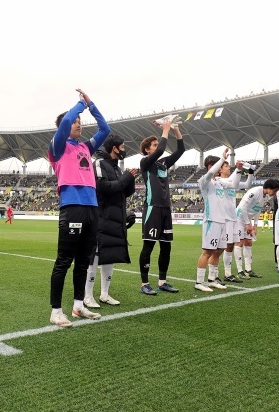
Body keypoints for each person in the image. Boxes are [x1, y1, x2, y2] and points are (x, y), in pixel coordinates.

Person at [48, 89, 110, 326]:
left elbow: (105, 130)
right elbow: (64, 121)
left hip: (92, 207)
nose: (78, 124)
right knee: (64, 260)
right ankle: (55, 311)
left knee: (83, 261)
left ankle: (78, 306)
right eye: (75, 121)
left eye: (80, 122)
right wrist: (79, 104)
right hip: (72, 206)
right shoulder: (58, 146)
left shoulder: (85, 147)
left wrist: (91, 105)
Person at [84, 133, 138, 307]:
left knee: (110, 256)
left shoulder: (118, 168)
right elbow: (104, 187)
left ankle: (104, 294)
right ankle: (87, 296)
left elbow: (123, 191)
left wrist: (130, 180)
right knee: (95, 257)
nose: (124, 150)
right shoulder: (99, 163)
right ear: (114, 148)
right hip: (101, 218)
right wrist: (125, 179)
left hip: (116, 218)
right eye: (122, 147)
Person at [139, 119, 184, 295]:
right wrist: (165, 130)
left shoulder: (163, 163)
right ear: (147, 150)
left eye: (157, 144)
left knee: (166, 246)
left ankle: (162, 281)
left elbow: (181, 150)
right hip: (152, 208)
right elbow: (160, 150)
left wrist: (176, 130)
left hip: (166, 209)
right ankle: (144, 284)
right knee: (148, 246)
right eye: (154, 145)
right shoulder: (145, 163)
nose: (158, 147)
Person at [195, 149, 238, 292]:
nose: (221, 169)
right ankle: (199, 282)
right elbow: (209, 174)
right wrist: (221, 159)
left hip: (222, 221)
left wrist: (238, 171)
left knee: (218, 251)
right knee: (207, 251)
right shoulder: (204, 181)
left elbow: (234, 184)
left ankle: (212, 279)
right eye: (219, 166)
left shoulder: (219, 182)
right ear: (211, 166)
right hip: (211, 221)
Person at [233, 178, 279, 281]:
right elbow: (242, 208)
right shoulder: (255, 192)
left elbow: (258, 209)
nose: (275, 192)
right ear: (269, 188)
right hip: (239, 218)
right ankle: (240, 271)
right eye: (275, 190)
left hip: (247, 220)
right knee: (240, 243)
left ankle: (248, 270)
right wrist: (247, 223)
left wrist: (255, 224)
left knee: (249, 243)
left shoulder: (266, 196)